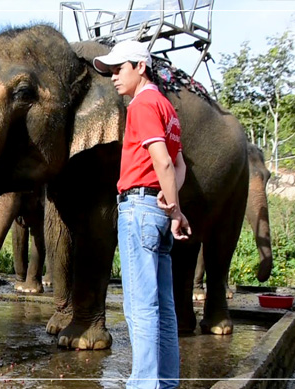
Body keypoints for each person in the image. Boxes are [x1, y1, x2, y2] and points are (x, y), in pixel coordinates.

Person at [94, 41, 192, 389]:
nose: (114, 77)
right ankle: (165, 384)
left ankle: (143, 384)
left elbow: (163, 161)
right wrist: (171, 203)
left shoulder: (143, 105)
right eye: (110, 71)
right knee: (164, 309)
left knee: (140, 307)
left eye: (119, 69)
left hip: (139, 209)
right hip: (159, 213)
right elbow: (178, 165)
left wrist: (175, 208)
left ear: (140, 66)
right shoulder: (168, 108)